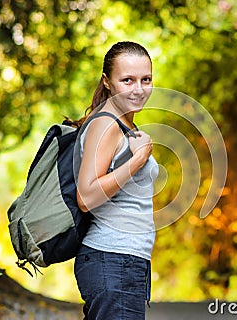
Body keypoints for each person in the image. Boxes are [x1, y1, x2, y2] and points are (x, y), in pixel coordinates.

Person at [73, 41, 159, 320]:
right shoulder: (106, 124)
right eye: (128, 80)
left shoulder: (124, 124)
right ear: (107, 82)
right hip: (113, 260)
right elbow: (86, 197)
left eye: (146, 79)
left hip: (123, 262)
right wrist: (136, 162)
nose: (139, 88)